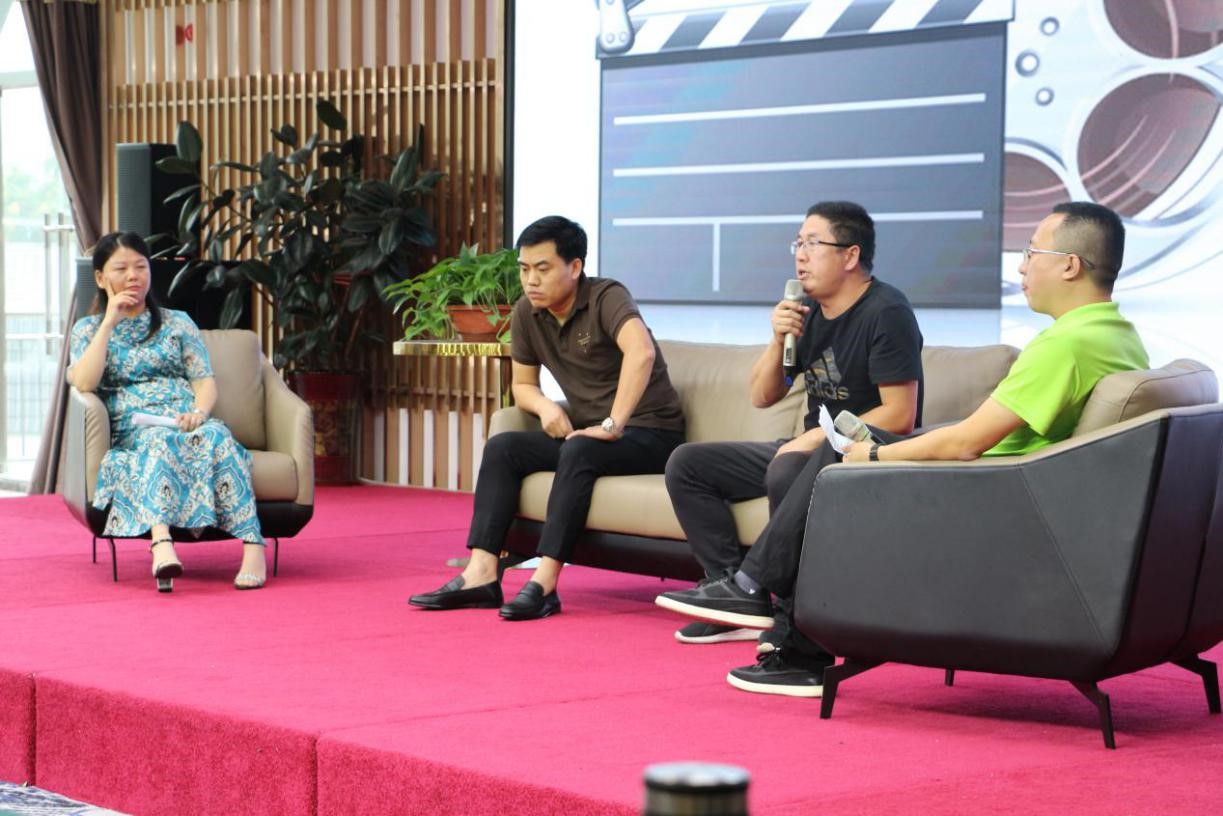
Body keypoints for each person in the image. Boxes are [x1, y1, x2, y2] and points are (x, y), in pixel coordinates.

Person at [657, 201, 1150, 697]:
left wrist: (873, 455)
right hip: (1012, 486)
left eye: (1031, 253)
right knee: (732, 462)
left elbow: (965, 442)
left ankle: (757, 598)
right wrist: (780, 340)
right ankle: (747, 596)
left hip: (990, 497)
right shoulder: (1113, 335)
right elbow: (767, 396)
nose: (1021, 266)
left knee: (834, 453)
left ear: (1069, 265)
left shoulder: (1063, 347)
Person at [662, 201, 923, 651]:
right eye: (797, 243)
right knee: (689, 465)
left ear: (850, 255)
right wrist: (777, 338)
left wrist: (820, 435)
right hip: (805, 446)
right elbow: (763, 396)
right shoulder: (807, 312)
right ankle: (732, 598)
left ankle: (785, 618)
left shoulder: (886, 311)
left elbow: (900, 413)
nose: (800, 255)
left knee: (787, 468)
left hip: (861, 454)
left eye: (812, 243)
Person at [409, 215, 685, 620]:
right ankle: (481, 574)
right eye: (524, 269)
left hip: (651, 433)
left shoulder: (606, 296)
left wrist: (613, 424)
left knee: (579, 450)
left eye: (542, 269)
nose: (530, 280)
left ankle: (545, 583)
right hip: (589, 436)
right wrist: (546, 407)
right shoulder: (527, 313)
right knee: (504, 447)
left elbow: (640, 352)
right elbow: (523, 385)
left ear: (574, 267)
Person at [66, 232, 267, 592]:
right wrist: (108, 322)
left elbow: (204, 381)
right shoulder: (88, 329)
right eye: (121, 269)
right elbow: (84, 382)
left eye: (141, 267)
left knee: (218, 435)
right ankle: (161, 544)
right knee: (157, 441)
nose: (133, 276)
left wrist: (199, 413)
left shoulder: (178, 322)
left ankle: (254, 547)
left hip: (185, 418)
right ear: (100, 277)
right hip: (136, 425)